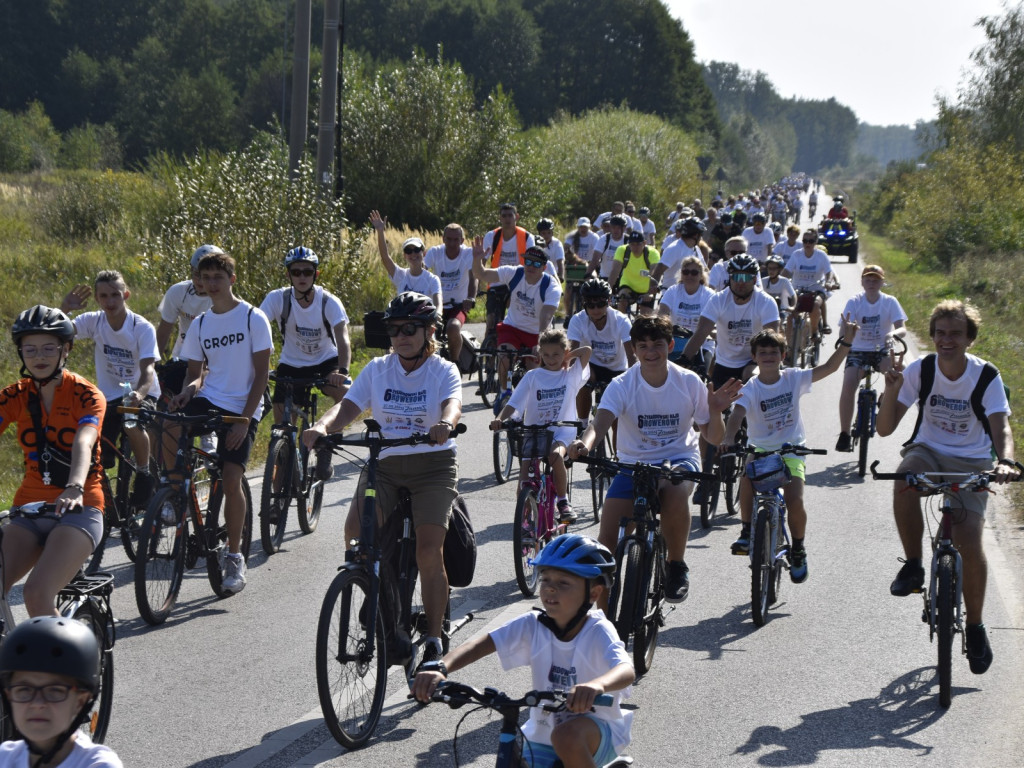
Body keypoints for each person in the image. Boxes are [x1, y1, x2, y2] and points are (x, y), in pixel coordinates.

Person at [303, 292, 461, 668]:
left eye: (410, 328)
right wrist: (321, 426)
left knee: (427, 551)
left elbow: (452, 404)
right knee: (354, 534)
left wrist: (446, 424)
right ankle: (384, 603)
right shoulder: (377, 369)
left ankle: (436, 638)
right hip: (386, 465)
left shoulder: (442, 369)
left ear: (429, 331)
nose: (401, 336)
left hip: (433, 465)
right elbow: (349, 406)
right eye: (394, 329)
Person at [876, 300, 1018, 674]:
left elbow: (1001, 427)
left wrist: (1004, 461)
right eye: (940, 333)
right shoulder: (921, 370)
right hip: (929, 452)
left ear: (970, 338)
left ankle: (975, 627)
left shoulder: (985, 376)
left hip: (973, 461)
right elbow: (885, 429)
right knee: (905, 477)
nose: (946, 340)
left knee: (969, 539)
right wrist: (891, 389)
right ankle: (913, 565)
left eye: (955, 333)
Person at [412, 534, 635, 768]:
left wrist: (596, 686)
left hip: (596, 729)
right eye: (546, 580)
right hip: (543, 733)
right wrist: (440, 667)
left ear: (593, 594)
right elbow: (482, 644)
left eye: (563, 583)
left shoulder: (598, 630)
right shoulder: (533, 624)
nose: (550, 589)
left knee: (565, 737)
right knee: (512, 758)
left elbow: (625, 669)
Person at [569, 316, 740, 603]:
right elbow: (599, 424)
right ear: (633, 350)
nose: (651, 352)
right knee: (606, 542)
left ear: (670, 345)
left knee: (674, 493)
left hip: (679, 460)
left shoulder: (688, 381)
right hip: (632, 464)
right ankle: (602, 621)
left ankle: (676, 565)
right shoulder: (622, 384)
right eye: (643, 346)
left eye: (658, 345)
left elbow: (712, 437)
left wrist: (716, 411)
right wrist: (583, 445)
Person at [168, 250, 273, 595]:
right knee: (169, 423)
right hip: (211, 397)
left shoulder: (252, 319)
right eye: (205, 278)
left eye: (218, 277)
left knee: (231, 479)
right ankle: (176, 493)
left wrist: (244, 419)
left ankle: (234, 555)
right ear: (198, 281)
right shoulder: (200, 324)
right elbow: (196, 375)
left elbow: (261, 375)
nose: (211, 284)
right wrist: (186, 393)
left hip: (244, 404)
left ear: (232, 279)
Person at [723, 324, 858, 581]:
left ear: (783, 356)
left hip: (790, 450)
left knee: (795, 499)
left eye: (774, 352)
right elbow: (737, 413)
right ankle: (746, 531)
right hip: (760, 449)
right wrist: (729, 437)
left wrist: (847, 342)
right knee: (746, 479)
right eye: (763, 352)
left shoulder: (793, 378)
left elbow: (829, 368)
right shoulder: (750, 387)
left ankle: (797, 549)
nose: (769, 356)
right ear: (755, 357)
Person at [0, 306, 105, 617]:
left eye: (48, 348)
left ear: (66, 349)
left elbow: (84, 441)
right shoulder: (15, 395)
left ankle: (61, 665)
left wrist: (74, 486)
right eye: (29, 349)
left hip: (80, 506)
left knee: (37, 593)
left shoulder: (86, 394)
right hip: (29, 509)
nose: (39, 356)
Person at [59, 270, 159, 508]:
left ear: (126, 295)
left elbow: (148, 371)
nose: (110, 302)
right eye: (103, 296)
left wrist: (139, 394)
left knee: (130, 421)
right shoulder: (94, 320)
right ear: (97, 299)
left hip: (142, 391)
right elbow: (57, 332)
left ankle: (144, 474)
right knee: (90, 435)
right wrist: (65, 310)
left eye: (115, 295)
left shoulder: (141, 327)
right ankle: (104, 497)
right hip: (109, 394)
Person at [259, 247, 352, 479]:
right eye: (296, 271)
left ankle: (325, 445)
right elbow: (257, 328)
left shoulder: (328, 301)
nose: (302, 277)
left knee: (345, 393)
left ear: (315, 274)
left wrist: (342, 370)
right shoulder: (277, 298)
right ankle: (275, 505)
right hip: (291, 363)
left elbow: (343, 338)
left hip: (325, 361)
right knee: (281, 434)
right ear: (288, 275)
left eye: (307, 272)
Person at [492, 330, 591, 523]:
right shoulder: (532, 376)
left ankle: (563, 501)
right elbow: (514, 402)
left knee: (554, 456)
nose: (550, 359)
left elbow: (586, 351)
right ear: (540, 355)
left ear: (565, 352)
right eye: (545, 354)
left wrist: (567, 357)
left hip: (562, 430)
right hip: (535, 431)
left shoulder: (570, 375)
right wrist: (499, 418)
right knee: (525, 472)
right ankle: (524, 514)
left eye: (556, 354)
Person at [0, 617, 123, 767]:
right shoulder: (5, 757)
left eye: (54, 691)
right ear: (9, 696)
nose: (37, 704)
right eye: (24, 689)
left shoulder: (97, 764)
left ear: (80, 702)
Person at [834, 265, 907, 452]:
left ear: (882, 282)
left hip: (881, 350)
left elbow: (902, 327)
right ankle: (844, 434)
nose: (872, 283)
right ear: (862, 281)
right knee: (849, 385)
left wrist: (892, 334)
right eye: (868, 279)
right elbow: (844, 326)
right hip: (858, 350)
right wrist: (846, 335)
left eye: (876, 280)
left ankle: (885, 398)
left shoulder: (890, 302)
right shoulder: (855, 301)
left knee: (900, 370)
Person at [679, 254, 779, 389]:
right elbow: (701, 332)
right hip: (724, 363)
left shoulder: (766, 302)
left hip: (754, 360)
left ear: (755, 279)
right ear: (730, 278)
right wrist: (685, 358)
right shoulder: (718, 300)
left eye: (746, 277)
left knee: (749, 375)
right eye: (736, 277)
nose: (740, 282)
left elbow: (772, 338)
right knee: (714, 405)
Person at [472, 242, 562, 392]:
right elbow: (481, 274)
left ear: (544, 267)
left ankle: (526, 401)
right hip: (512, 328)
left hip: (536, 332)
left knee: (533, 373)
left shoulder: (551, 287)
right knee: (505, 359)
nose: (531, 266)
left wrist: (540, 341)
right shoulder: (514, 273)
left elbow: (546, 316)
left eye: (536, 264)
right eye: (528, 262)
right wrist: (476, 259)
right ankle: (505, 392)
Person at [566, 278, 635, 421]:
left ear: (609, 302)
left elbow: (632, 355)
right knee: (583, 377)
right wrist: (570, 380)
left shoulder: (621, 320)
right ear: (584, 305)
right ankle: (583, 424)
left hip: (617, 369)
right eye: (591, 305)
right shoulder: (577, 320)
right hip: (592, 366)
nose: (596, 309)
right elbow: (573, 353)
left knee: (618, 421)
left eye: (601, 304)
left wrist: (635, 381)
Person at [155, 244, 216, 397]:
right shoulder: (178, 292)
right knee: (163, 404)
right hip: (182, 357)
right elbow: (163, 331)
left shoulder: (221, 299)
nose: (201, 281)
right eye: (197, 274)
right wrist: (153, 362)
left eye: (206, 276)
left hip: (212, 362)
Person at [424, 222, 477, 367]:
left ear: (462, 241)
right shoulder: (435, 252)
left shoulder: (467, 254)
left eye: (456, 240)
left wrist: (470, 297)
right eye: (449, 239)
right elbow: (421, 272)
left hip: (458, 305)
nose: (452, 243)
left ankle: (455, 362)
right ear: (443, 239)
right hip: (436, 304)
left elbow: (474, 278)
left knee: (453, 327)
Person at [369, 210, 443, 309]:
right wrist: (380, 231)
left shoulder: (432, 279)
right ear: (404, 255)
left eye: (417, 250)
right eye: (408, 251)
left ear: (424, 253)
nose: (413, 254)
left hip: (423, 321)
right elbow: (385, 257)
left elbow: (438, 303)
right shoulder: (400, 275)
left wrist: (438, 312)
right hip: (403, 321)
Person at [657, 256, 716, 371]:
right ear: (681, 274)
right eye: (686, 272)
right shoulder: (673, 291)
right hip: (676, 342)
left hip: (703, 344)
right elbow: (662, 314)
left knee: (701, 373)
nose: (689, 276)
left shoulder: (709, 295)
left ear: (701, 275)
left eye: (694, 273)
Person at [782, 229, 837, 336]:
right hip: (797, 289)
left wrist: (829, 282)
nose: (807, 244)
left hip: (816, 290)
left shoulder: (821, 255)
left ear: (816, 241)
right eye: (805, 241)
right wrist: (778, 280)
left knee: (815, 304)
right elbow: (787, 271)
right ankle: (788, 344)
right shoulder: (796, 254)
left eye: (810, 241)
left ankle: (814, 332)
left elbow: (829, 272)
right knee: (790, 313)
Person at [607, 232, 659, 317]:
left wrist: (651, 293)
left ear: (644, 243)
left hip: (647, 290)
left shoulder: (653, 253)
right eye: (632, 244)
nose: (635, 247)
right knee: (622, 299)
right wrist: (608, 291)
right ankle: (622, 323)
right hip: (628, 285)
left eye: (638, 244)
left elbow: (655, 274)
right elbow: (614, 271)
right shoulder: (622, 250)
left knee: (645, 319)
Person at [562, 217, 600, 324]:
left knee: (593, 282)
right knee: (568, 290)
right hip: (575, 266)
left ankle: (591, 308)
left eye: (585, 227)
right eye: (581, 227)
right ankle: (568, 315)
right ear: (578, 227)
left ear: (589, 227)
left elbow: (598, 252)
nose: (583, 229)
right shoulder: (573, 236)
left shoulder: (594, 237)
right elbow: (566, 246)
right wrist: (567, 251)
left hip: (589, 264)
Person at [651, 217, 708, 289]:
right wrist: (652, 290)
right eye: (701, 234)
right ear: (696, 235)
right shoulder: (675, 248)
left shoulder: (695, 248)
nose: (701, 238)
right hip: (671, 295)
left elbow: (704, 270)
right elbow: (658, 270)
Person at [588, 214, 627, 281]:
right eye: (613, 227)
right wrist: (588, 274)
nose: (615, 230)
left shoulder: (628, 240)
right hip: (604, 277)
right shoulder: (604, 239)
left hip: (623, 279)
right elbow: (595, 258)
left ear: (623, 228)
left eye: (618, 228)